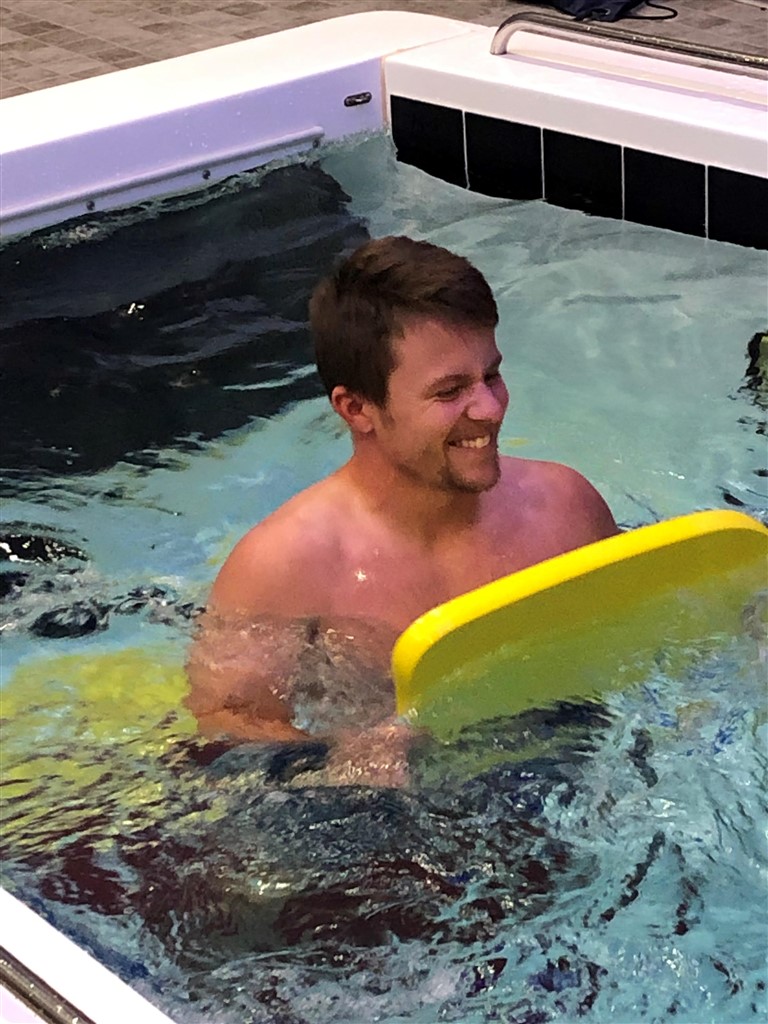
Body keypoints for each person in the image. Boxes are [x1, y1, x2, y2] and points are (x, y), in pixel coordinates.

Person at [186, 236, 618, 777]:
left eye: (492, 375)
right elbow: (222, 725)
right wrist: (340, 753)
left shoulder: (566, 508)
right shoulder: (285, 565)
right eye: (449, 392)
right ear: (356, 408)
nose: (489, 409)